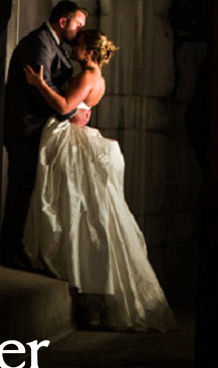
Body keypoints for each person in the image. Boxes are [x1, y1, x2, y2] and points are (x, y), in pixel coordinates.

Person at [22, 28, 176, 332]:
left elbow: (66, 107)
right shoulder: (96, 77)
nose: (72, 48)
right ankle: (89, 297)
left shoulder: (88, 77)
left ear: (90, 53)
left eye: (78, 46)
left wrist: (40, 84)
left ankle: (87, 292)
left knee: (73, 206)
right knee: (81, 210)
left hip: (72, 140)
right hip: (79, 135)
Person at [1, 0, 90, 269]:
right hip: (25, 128)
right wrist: (70, 111)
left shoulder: (55, 45)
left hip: (35, 129)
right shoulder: (40, 42)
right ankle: (8, 252)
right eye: (78, 24)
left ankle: (18, 248)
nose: (80, 30)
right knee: (20, 190)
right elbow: (42, 86)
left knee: (30, 192)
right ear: (63, 22)